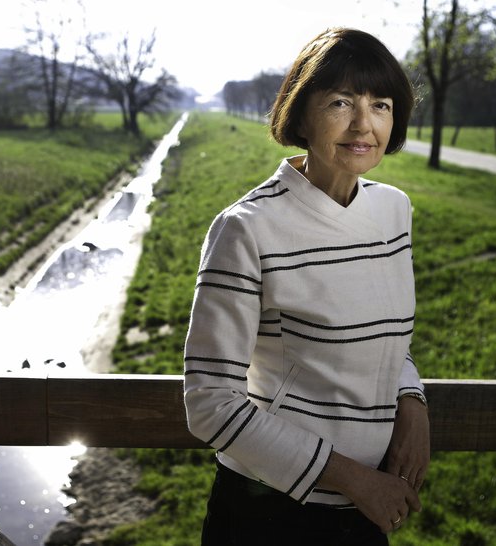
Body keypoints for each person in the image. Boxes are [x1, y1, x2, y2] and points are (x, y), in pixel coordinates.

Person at [184, 27, 430, 546]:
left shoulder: (393, 210)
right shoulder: (247, 228)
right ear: (301, 113)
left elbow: (384, 335)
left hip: (366, 508)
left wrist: (412, 403)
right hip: (269, 513)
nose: (364, 123)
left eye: (381, 105)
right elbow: (210, 403)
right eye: (341, 102)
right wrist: (356, 479)